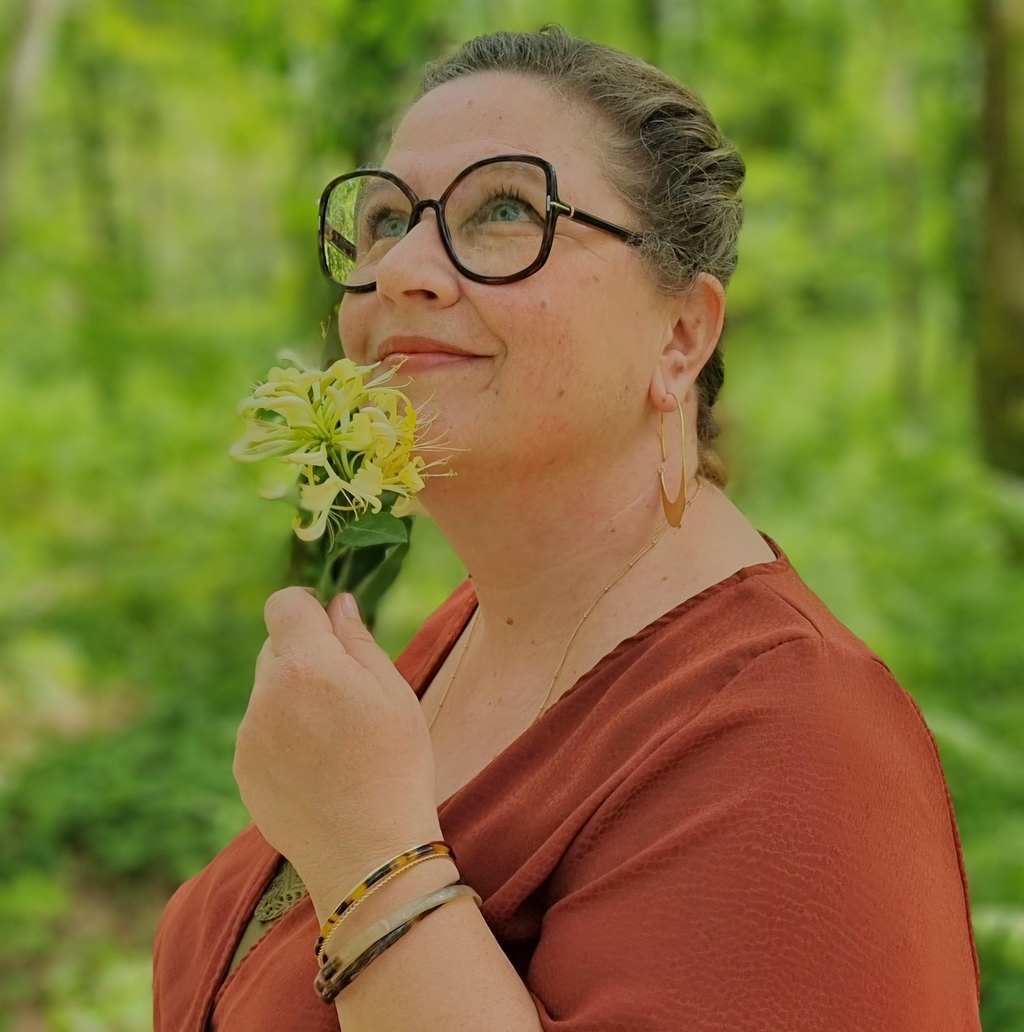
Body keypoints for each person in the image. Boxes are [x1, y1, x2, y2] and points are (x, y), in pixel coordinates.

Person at [152, 26, 982, 1032]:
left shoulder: (802, 750)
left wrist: (370, 860)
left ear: (681, 335)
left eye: (505, 210)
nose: (403, 268)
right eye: (385, 220)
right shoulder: (463, 631)